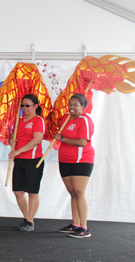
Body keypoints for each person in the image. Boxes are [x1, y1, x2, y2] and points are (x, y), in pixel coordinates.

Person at [54, 94, 94, 238]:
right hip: (64, 159)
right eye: (70, 104)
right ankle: (75, 224)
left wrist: (63, 138)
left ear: (83, 107)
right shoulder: (65, 118)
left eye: (76, 105)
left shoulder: (85, 120)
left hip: (81, 159)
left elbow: (82, 142)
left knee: (78, 191)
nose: (72, 107)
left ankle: (84, 227)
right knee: (72, 193)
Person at [8, 94, 45, 232]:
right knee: (18, 191)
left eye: (27, 106)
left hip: (33, 160)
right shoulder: (19, 120)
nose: (24, 108)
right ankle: (26, 218)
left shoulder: (38, 120)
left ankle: (30, 221)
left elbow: (36, 140)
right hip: (19, 160)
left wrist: (19, 150)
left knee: (32, 192)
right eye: (22, 105)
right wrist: (12, 140)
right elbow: (13, 135)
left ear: (36, 106)